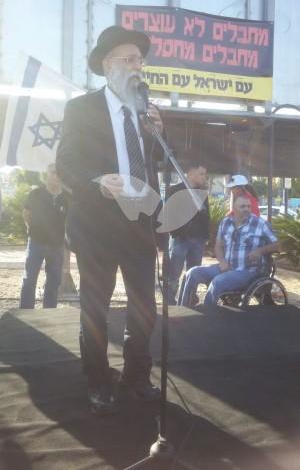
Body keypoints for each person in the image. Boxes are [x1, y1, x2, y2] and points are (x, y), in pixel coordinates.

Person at [56, 25, 164, 416]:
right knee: (96, 309)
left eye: (141, 59)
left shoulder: (145, 112)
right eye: (130, 59)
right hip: (97, 226)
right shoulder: (81, 108)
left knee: (144, 308)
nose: (139, 66)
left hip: (137, 224)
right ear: (108, 64)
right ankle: (99, 380)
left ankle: (136, 375)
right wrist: (97, 181)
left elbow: (151, 167)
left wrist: (156, 135)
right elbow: (65, 164)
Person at [180, 195, 280, 306]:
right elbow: (218, 246)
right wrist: (222, 261)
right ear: (234, 208)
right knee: (192, 273)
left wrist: (260, 251)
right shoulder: (225, 223)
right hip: (227, 267)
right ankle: (183, 310)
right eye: (242, 206)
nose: (246, 209)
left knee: (218, 281)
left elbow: (277, 245)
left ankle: (207, 316)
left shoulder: (260, 224)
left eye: (248, 206)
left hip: (249, 271)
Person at [20, 164, 68, 309]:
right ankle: (26, 312)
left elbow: (69, 220)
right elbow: (26, 213)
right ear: (47, 174)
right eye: (54, 172)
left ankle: (49, 312)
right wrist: (31, 229)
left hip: (57, 245)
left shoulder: (66, 198)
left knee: (54, 281)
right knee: (29, 279)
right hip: (36, 243)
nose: (56, 176)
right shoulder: (36, 194)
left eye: (59, 173)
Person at [166, 162, 210, 305]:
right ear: (191, 173)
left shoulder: (202, 192)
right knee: (174, 271)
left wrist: (205, 236)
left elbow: (206, 216)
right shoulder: (175, 190)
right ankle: (170, 298)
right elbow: (168, 215)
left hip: (198, 239)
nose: (205, 177)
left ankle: (189, 297)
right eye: (201, 174)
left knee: (194, 271)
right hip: (180, 239)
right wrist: (175, 233)